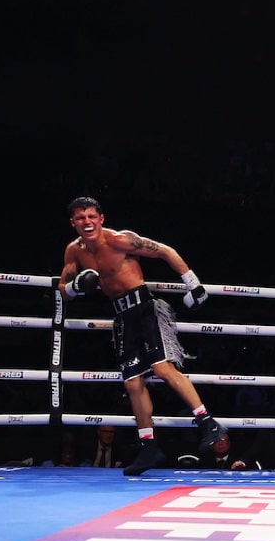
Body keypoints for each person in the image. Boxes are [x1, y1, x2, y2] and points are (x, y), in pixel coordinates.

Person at [58, 196, 227, 476]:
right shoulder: (73, 252)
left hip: (145, 309)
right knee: (133, 383)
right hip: (121, 317)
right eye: (80, 218)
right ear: (73, 223)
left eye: (91, 216)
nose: (86, 222)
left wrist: (193, 284)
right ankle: (148, 446)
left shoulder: (120, 240)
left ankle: (208, 421)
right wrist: (75, 287)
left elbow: (165, 251)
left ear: (101, 218)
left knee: (162, 368)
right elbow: (63, 287)